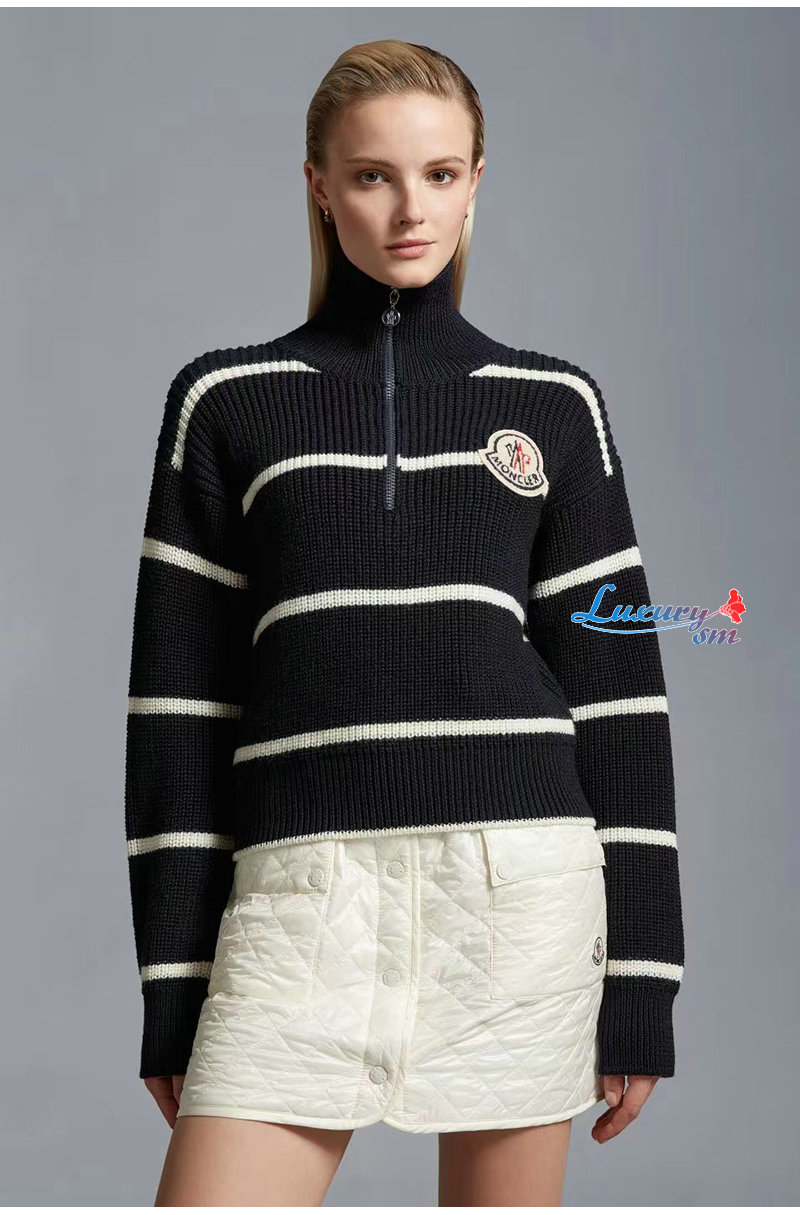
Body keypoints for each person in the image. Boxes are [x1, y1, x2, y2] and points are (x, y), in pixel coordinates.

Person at [124, 38, 685, 1206]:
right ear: (319, 186)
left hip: (517, 896)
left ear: (476, 180)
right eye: (371, 175)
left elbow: (619, 697)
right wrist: (173, 989)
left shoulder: (553, 406)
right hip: (301, 902)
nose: (408, 209)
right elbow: (177, 715)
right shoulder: (224, 403)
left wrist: (640, 981)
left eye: (438, 174)